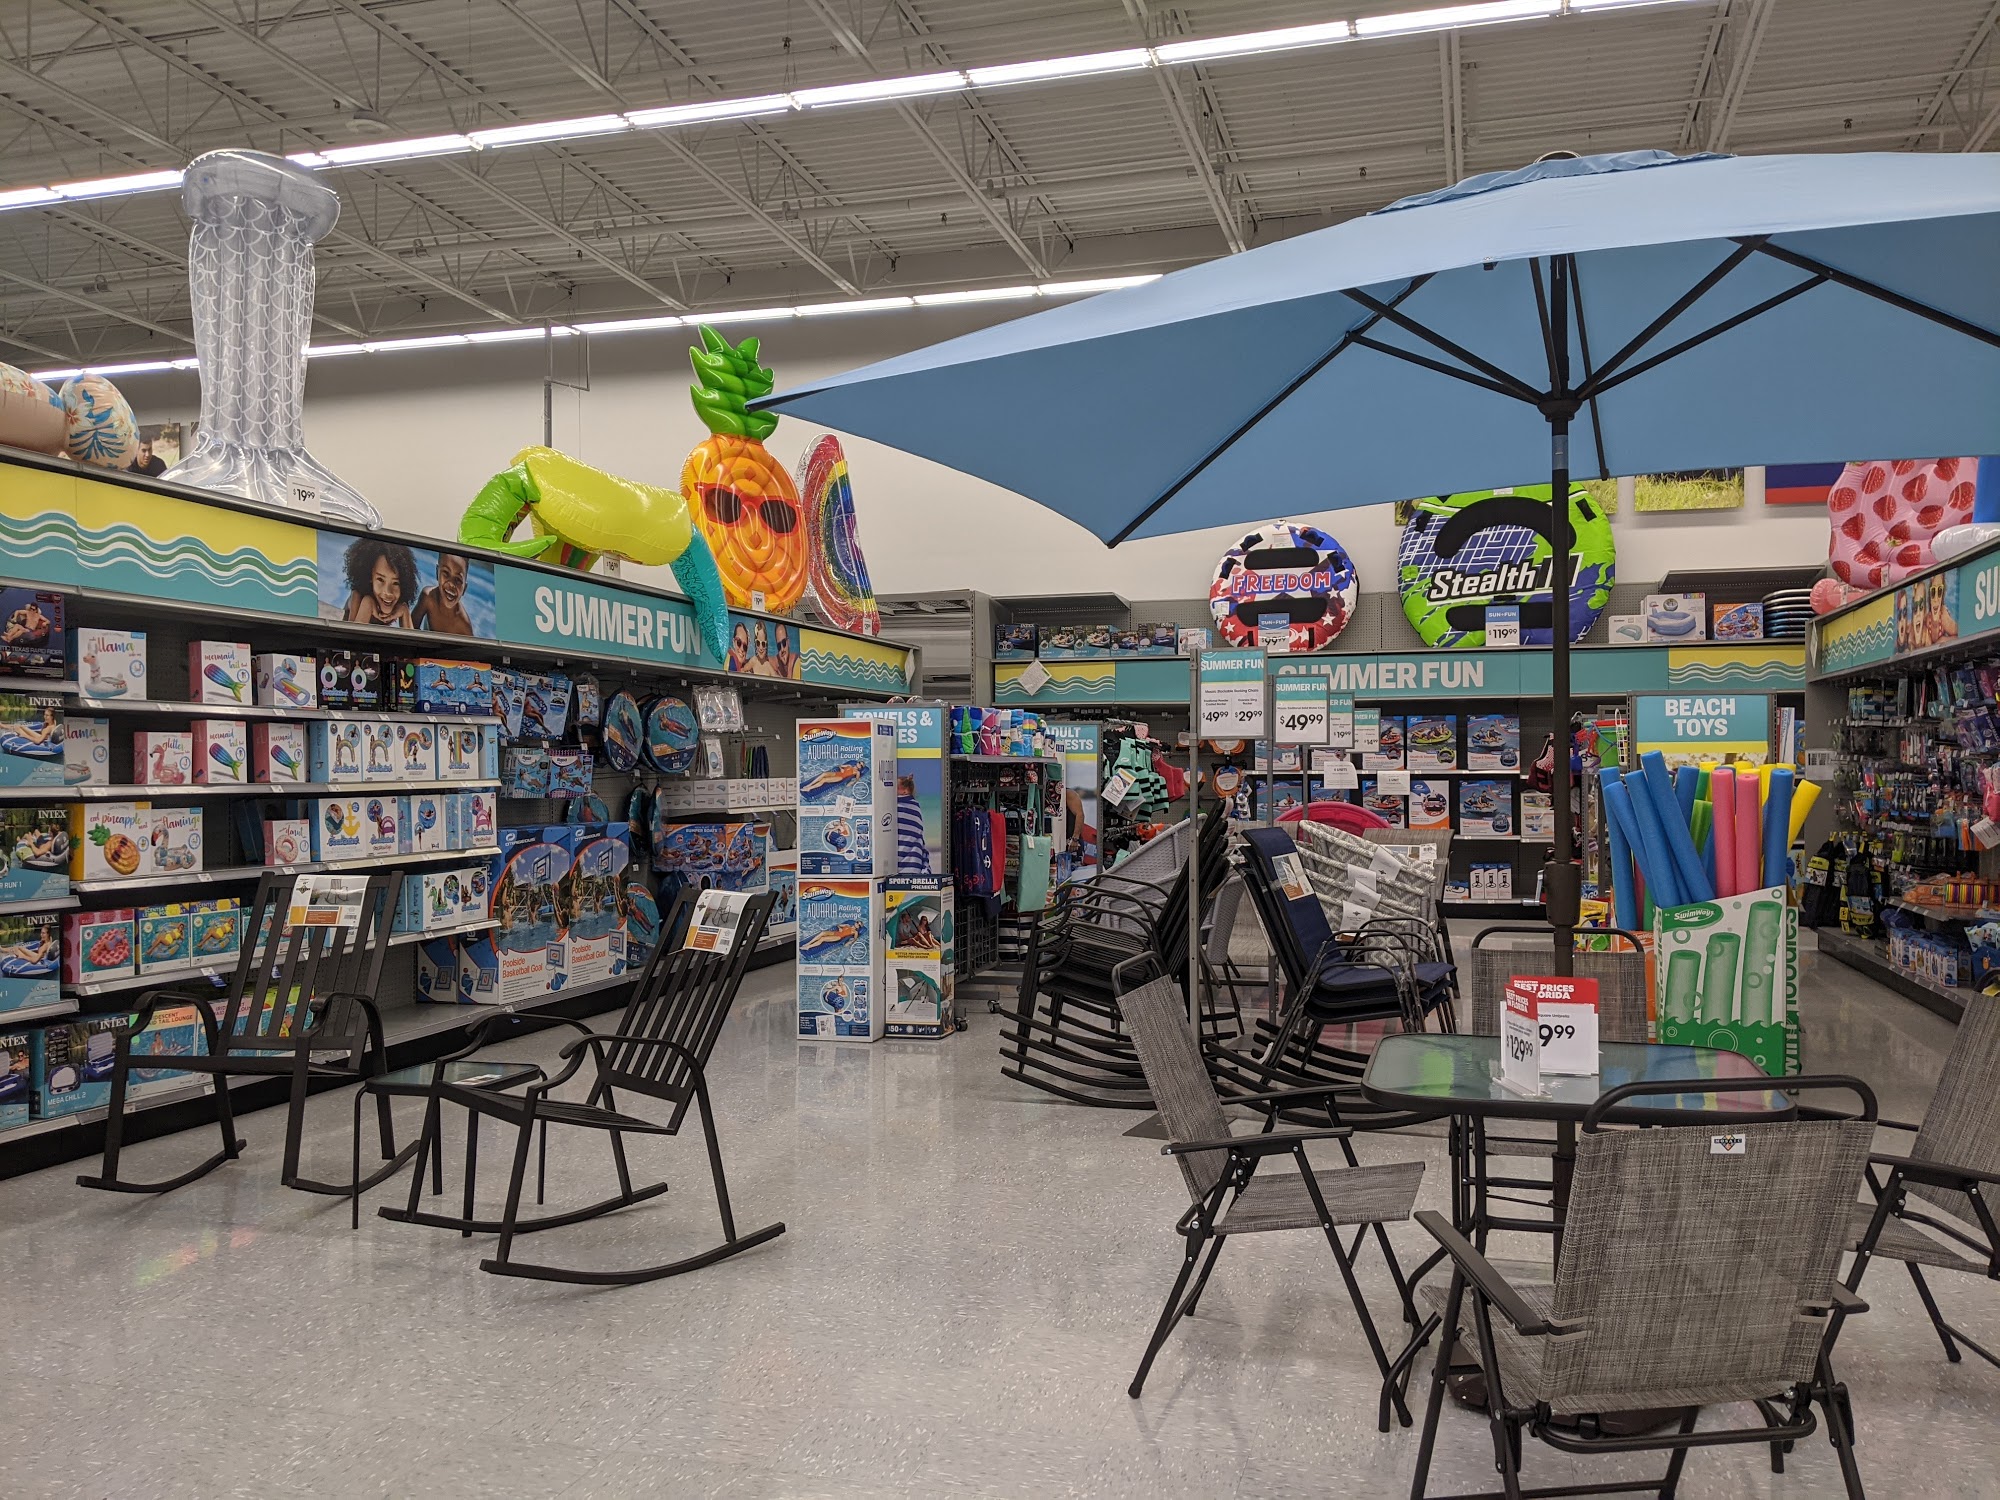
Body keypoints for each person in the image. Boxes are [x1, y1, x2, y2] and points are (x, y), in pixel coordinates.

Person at [341, 538, 418, 628]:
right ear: (369, 577)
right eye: (380, 579)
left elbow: (411, 637)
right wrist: (368, 604)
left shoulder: (399, 603)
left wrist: (405, 611)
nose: (388, 592)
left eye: (396, 583)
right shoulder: (357, 595)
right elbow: (352, 633)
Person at [413, 551, 476, 635]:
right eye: (446, 573)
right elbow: (409, 629)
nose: (451, 584)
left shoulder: (464, 625)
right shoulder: (428, 598)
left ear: (464, 588)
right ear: (437, 573)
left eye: (458, 579)